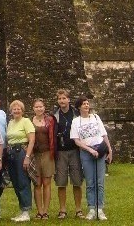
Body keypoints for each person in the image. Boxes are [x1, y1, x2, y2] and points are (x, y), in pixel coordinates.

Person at [70, 97, 112, 221]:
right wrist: (89, 150)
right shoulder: (76, 121)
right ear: (79, 107)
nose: (86, 106)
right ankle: (92, 208)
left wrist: (110, 150)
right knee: (90, 182)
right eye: (84, 104)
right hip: (86, 152)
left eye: (88, 104)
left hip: (100, 150)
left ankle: (100, 209)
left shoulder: (96, 117)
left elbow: (104, 134)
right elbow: (76, 140)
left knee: (100, 181)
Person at [52, 89, 83, 219]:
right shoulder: (54, 115)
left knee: (77, 181)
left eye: (64, 98)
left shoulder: (77, 114)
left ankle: (78, 209)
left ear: (69, 100)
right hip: (61, 152)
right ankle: (62, 210)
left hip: (75, 150)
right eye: (59, 99)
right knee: (61, 182)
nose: (62, 101)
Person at [6, 100, 35, 222]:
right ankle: (22, 209)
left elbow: (32, 140)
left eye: (19, 109)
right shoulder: (11, 122)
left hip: (21, 152)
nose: (16, 111)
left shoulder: (26, 121)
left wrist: (27, 157)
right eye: (14, 109)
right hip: (11, 153)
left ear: (22, 111)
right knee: (16, 182)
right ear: (11, 111)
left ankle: (26, 211)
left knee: (23, 181)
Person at [31, 98, 56, 219]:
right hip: (34, 155)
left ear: (44, 108)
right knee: (37, 183)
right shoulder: (30, 121)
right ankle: (39, 211)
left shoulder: (50, 120)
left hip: (47, 154)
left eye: (41, 106)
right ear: (33, 108)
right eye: (36, 107)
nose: (39, 108)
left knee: (46, 183)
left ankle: (45, 211)